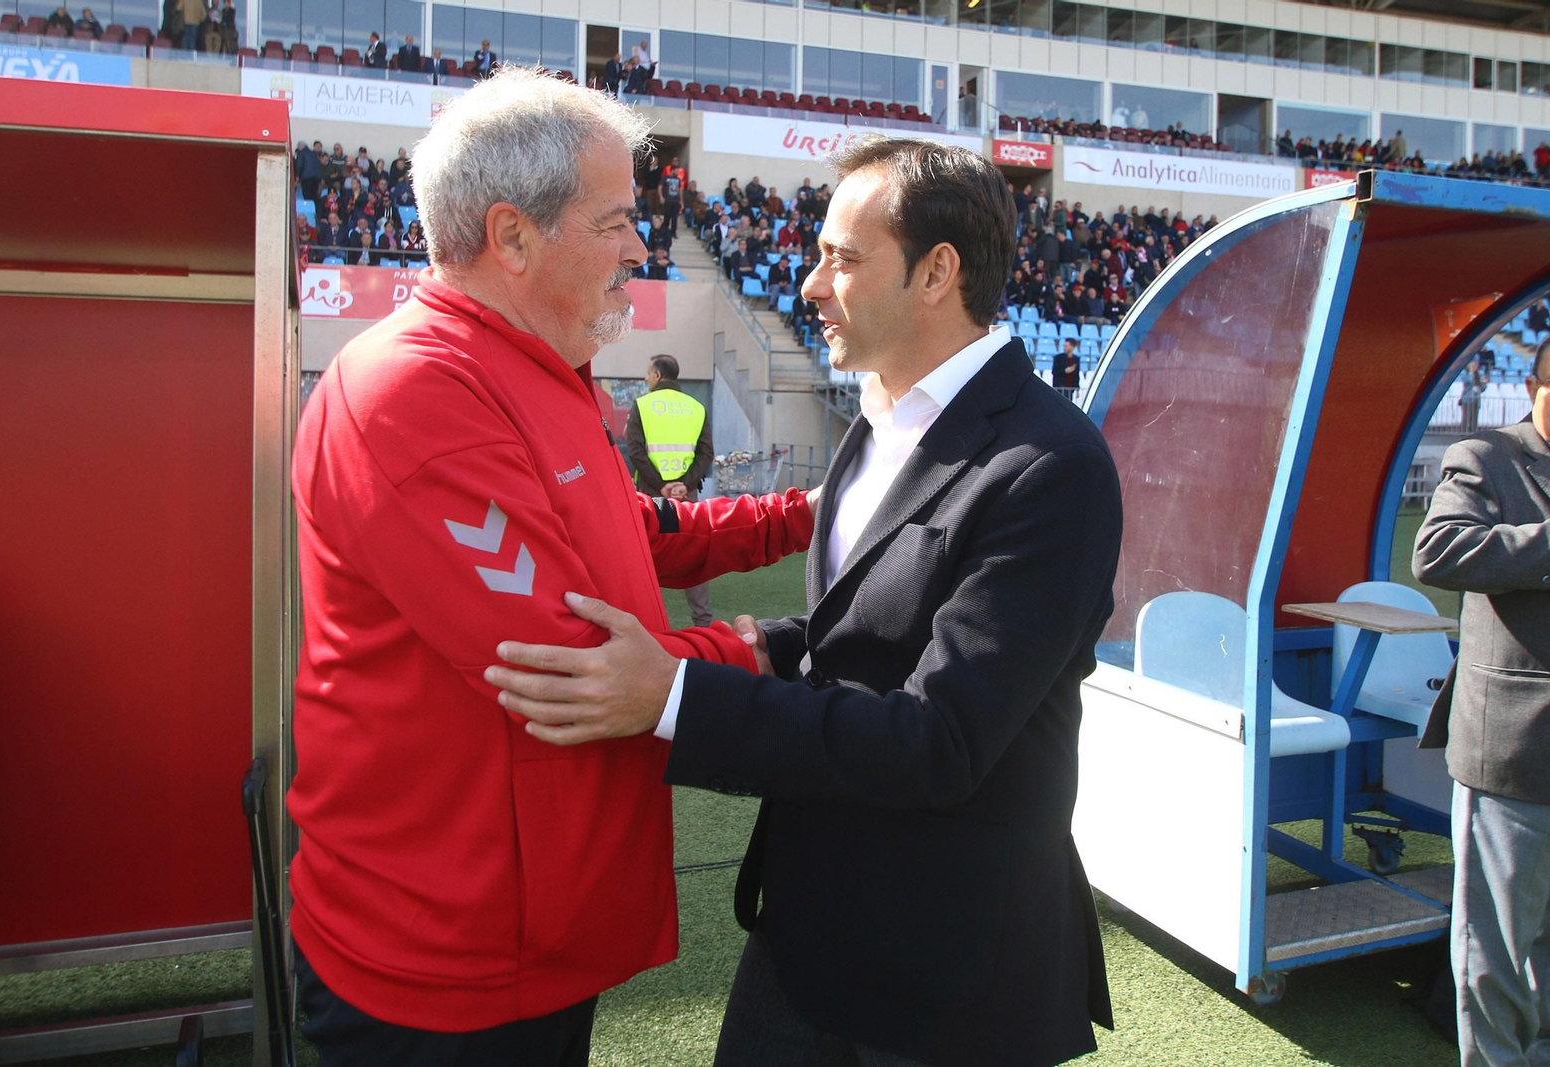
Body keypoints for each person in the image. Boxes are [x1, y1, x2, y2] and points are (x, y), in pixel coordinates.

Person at [490, 137, 1121, 1067]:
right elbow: (860, 636)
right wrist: (762, 647)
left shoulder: (1051, 466)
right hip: (804, 929)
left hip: (949, 972)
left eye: (843, 259)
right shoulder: (878, 425)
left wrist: (675, 695)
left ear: (937, 273)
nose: (812, 284)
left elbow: (940, 740)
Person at [287, 69, 813, 1067]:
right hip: (445, 965)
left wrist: (806, 516)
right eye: (615, 222)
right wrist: (769, 649)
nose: (639, 247)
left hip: (528, 929)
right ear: (513, 236)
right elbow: (575, 669)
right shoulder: (416, 392)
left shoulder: (535, 368)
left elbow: (629, 533)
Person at [1413, 337, 1550, 1067]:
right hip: (1516, 748)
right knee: (1495, 944)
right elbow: (1437, 550)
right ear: (1534, 387)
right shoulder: (1487, 455)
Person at [625, 355, 715, 627]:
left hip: (651, 494)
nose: (645, 378)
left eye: (648, 373)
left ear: (657, 375)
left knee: (646, 556)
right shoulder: (696, 407)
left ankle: (647, 625)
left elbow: (635, 451)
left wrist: (661, 486)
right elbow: (706, 453)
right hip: (687, 495)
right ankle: (704, 624)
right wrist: (684, 484)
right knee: (694, 555)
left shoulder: (642, 405)